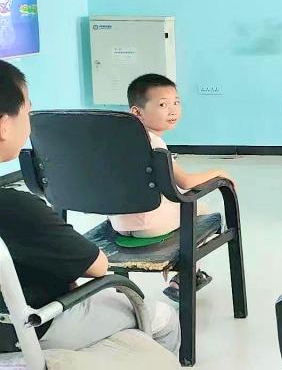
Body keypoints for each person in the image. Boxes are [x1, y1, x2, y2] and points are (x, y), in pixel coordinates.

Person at [0, 60, 179, 353]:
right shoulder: (16, 207)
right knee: (164, 318)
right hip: (31, 328)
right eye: (27, 108)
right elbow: (98, 267)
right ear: (4, 126)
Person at [114, 73, 234, 301]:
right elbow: (185, 182)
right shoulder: (154, 141)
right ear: (137, 112)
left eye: (176, 102)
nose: (173, 110)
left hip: (120, 223)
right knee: (202, 211)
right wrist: (220, 172)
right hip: (150, 226)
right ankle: (185, 278)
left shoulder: (118, 140)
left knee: (175, 205)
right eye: (162, 104)